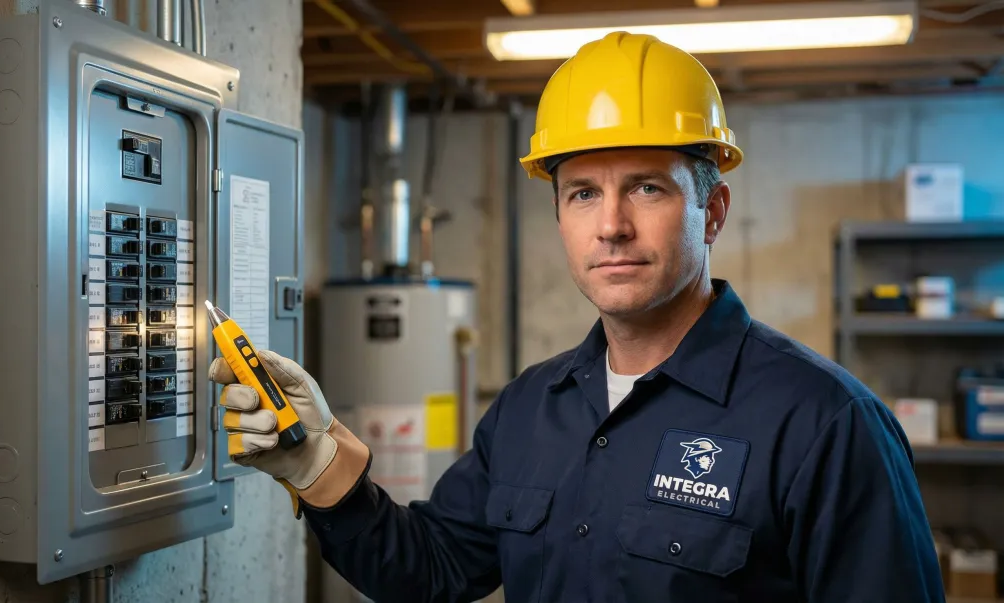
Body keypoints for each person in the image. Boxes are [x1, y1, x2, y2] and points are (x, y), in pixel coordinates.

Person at [208, 32, 946, 603]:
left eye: (648, 187)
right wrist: (318, 466)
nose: (612, 225)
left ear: (712, 211)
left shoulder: (825, 423)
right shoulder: (531, 410)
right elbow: (427, 571)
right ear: (559, 214)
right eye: (583, 193)